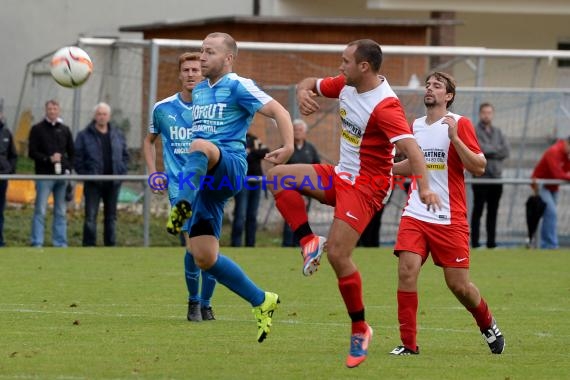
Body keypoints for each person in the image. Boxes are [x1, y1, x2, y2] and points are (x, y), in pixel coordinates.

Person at [267, 39, 440, 368]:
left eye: (345, 61)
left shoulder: (385, 107)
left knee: (338, 254)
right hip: (341, 175)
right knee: (277, 176)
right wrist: (303, 91)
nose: (339, 65)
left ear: (364, 67)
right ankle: (308, 241)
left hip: (367, 187)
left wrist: (425, 188)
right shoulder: (346, 83)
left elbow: (413, 150)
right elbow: (309, 83)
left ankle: (361, 328)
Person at [166, 32, 294, 342]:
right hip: (205, 182)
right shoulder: (199, 91)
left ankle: (180, 208)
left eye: (209, 52)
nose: (202, 57)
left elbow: (280, 111)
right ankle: (262, 300)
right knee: (204, 256)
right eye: (201, 51)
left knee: (199, 144)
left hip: (230, 166)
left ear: (228, 58)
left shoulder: (238, 85)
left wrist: (288, 145)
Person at [390, 72, 505, 357]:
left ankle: (487, 322)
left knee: (459, 286)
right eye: (428, 85)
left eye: (437, 86)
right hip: (416, 212)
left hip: (449, 218)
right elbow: (414, 166)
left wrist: (455, 138)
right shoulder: (414, 126)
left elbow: (479, 166)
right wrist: (386, 168)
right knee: (407, 271)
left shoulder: (459, 124)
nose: (430, 89)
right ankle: (408, 344)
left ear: (449, 96)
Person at [143, 52, 218, 321]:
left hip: (211, 186)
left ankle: (207, 303)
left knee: (211, 250)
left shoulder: (214, 108)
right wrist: (154, 172)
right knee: (192, 247)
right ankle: (193, 302)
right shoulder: (163, 109)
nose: (190, 74)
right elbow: (149, 141)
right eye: (185, 69)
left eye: (195, 69)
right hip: (180, 187)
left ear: (203, 73)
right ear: (179, 74)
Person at [74, 102, 129, 247]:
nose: (102, 117)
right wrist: (86, 175)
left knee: (111, 217)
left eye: (104, 114)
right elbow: (77, 158)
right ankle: (89, 245)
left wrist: (121, 171)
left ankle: (110, 246)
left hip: (113, 183)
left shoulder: (117, 135)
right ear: (94, 116)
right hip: (93, 183)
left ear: (109, 116)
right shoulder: (84, 135)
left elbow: (125, 155)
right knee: (91, 217)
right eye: (99, 114)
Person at [28, 99, 74, 247]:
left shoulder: (65, 129)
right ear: (45, 110)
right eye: (50, 109)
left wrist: (66, 166)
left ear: (59, 110)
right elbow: (32, 152)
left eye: (55, 109)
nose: (52, 111)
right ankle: (37, 242)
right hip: (44, 176)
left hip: (61, 177)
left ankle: (60, 243)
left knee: (60, 211)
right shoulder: (37, 129)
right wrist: (48, 159)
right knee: (40, 210)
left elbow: (72, 153)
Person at [470, 102, 509, 248]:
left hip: (496, 178)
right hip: (481, 178)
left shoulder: (498, 132)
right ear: (480, 114)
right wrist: (493, 150)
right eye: (484, 112)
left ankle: (491, 243)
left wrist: (488, 150)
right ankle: (475, 243)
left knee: (493, 212)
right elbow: (477, 149)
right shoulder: (474, 131)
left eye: (489, 112)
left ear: (492, 114)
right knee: (478, 211)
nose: (487, 115)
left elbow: (506, 151)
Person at [281, 119, 321, 247]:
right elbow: (277, 168)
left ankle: (300, 244)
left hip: (306, 189)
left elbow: (317, 168)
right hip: (289, 189)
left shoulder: (311, 149)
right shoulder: (286, 148)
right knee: (290, 218)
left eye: (300, 130)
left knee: (303, 218)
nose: (297, 132)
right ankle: (287, 245)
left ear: (305, 133)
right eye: (295, 130)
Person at [531, 136, 570, 249]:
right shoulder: (554, 151)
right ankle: (550, 245)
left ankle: (546, 244)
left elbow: (565, 171)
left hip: (553, 187)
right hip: (540, 185)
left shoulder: (565, 154)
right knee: (551, 213)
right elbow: (557, 174)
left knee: (550, 215)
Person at [230, 133, 269, 247]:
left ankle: (250, 245)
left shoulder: (254, 138)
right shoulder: (235, 136)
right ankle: (236, 244)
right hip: (241, 181)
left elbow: (266, 152)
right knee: (240, 214)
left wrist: (251, 151)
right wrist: (254, 151)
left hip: (256, 181)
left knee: (252, 215)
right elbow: (239, 156)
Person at [0, 111, 17, 247]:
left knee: (0, 211)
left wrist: (9, 170)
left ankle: (0, 241)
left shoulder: (6, 133)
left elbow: (13, 155)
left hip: (2, 178)